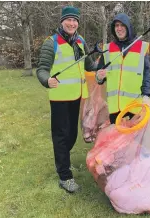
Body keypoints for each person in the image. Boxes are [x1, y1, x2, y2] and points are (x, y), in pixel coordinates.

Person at [36, 6, 97, 193]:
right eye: (69, 20)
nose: (72, 23)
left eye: (75, 20)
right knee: (61, 136)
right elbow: (42, 69)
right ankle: (64, 176)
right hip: (60, 98)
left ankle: (64, 163)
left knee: (71, 135)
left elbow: (89, 64)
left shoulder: (80, 41)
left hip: (76, 96)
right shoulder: (51, 42)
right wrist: (48, 80)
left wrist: (101, 66)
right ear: (62, 21)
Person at [96, 13, 150, 124]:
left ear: (128, 27)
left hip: (134, 106)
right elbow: (99, 74)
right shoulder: (107, 48)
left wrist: (146, 95)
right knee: (117, 141)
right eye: (116, 25)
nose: (119, 28)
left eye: (122, 25)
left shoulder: (141, 47)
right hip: (114, 108)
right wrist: (99, 77)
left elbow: (146, 74)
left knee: (133, 140)